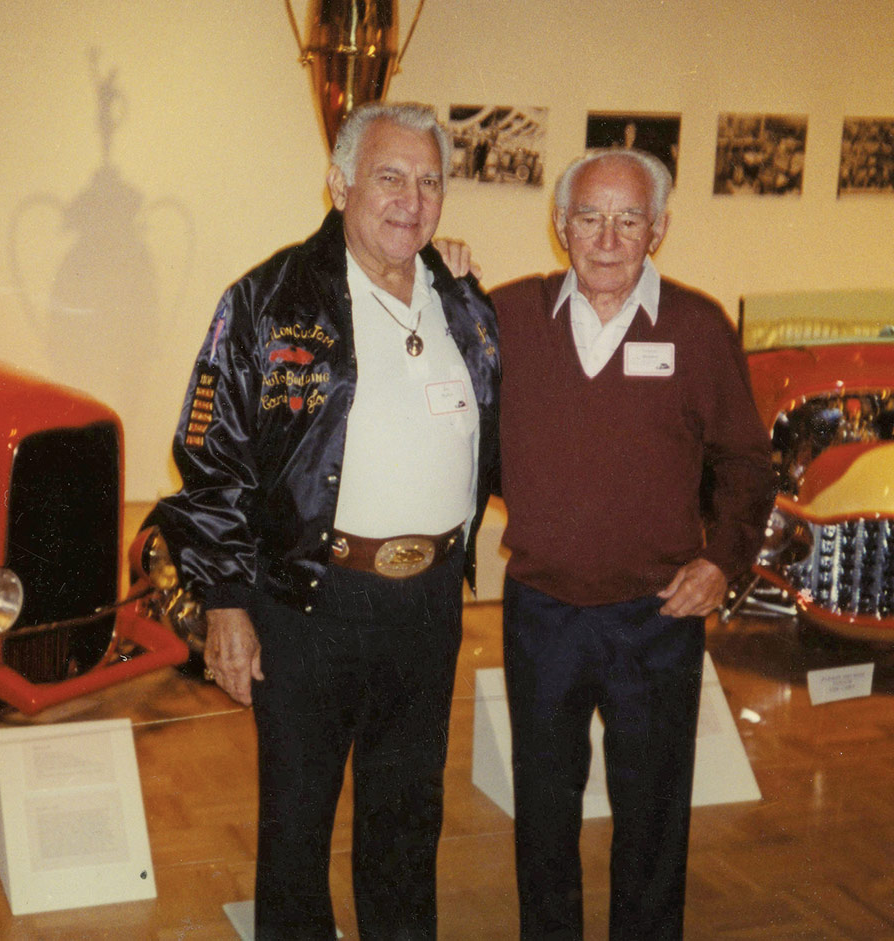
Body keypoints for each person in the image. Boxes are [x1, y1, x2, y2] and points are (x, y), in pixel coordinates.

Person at [152, 102, 500, 940]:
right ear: (340, 182)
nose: (410, 200)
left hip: (428, 609)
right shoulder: (268, 298)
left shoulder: (462, 302)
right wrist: (226, 601)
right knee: (297, 830)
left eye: (428, 181)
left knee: (408, 823)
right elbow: (211, 458)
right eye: (389, 177)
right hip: (310, 604)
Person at [489, 149, 773, 940]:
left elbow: (747, 462)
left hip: (657, 618)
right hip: (542, 612)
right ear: (561, 226)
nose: (608, 236)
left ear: (660, 228)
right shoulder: (507, 316)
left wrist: (723, 560)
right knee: (543, 810)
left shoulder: (697, 325)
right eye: (590, 216)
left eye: (629, 218)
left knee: (653, 817)